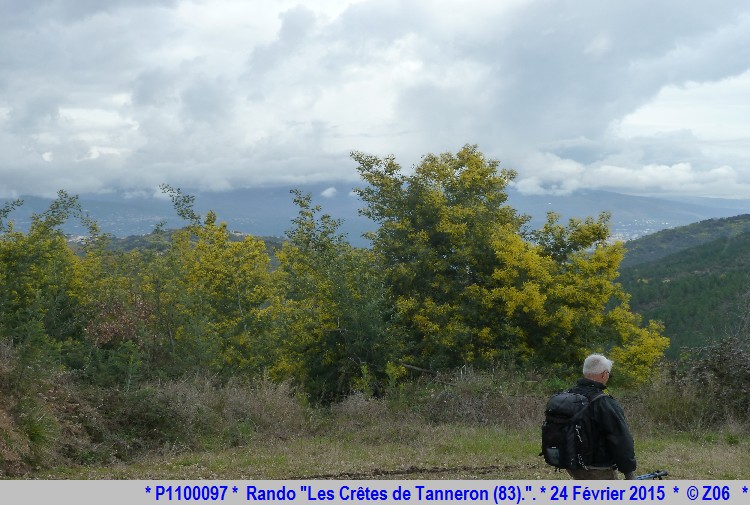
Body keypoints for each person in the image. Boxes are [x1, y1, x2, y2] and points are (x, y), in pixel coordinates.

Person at [566, 354, 637, 480]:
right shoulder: (604, 403)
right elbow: (621, 439)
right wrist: (629, 473)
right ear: (604, 374)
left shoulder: (569, 395)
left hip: (572, 464)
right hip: (597, 468)